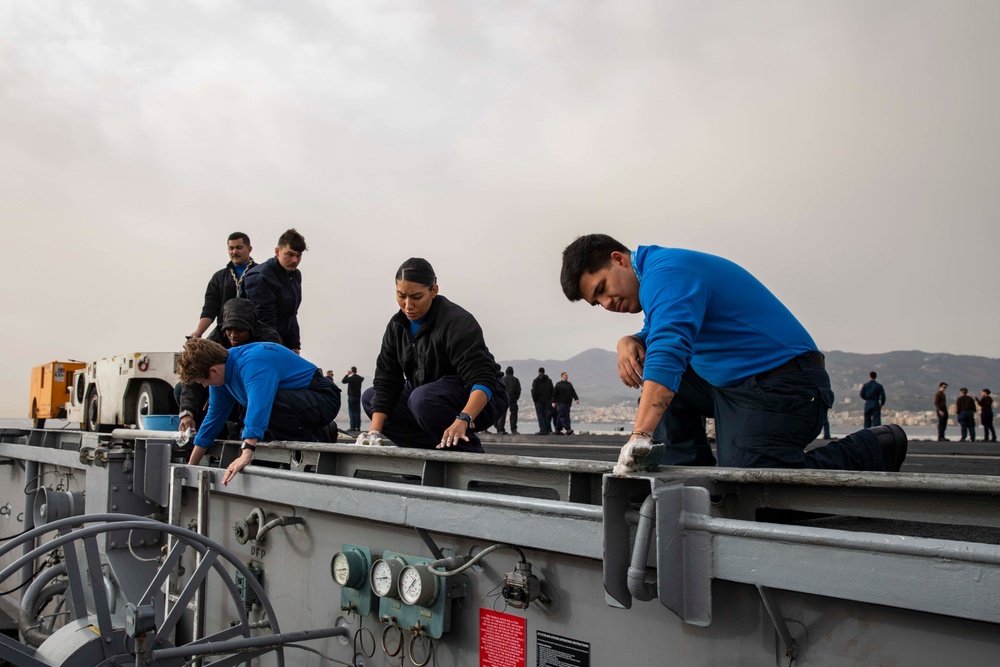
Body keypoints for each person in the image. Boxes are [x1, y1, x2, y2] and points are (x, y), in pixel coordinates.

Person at [559, 234, 907, 474]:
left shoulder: (666, 274)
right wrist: (629, 339)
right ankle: (689, 480)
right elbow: (660, 331)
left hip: (786, 387)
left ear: (618, 259)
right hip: (738, 387)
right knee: (650, 357)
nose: (608, 304)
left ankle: (875, 447)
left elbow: (669, 346)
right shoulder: (659, 277)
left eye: (603, 289)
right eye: (597, 302)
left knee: (753, 489)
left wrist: (640, 437)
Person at [359, 258, 508, 453]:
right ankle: (428, 454)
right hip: (428, 395)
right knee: (371, 397)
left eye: (416, 297)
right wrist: (374, 433)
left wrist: (463, 418)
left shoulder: (456, 321)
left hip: (481, 397)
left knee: (421, 399)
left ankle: (469, 456)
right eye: (401, 295)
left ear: (434, 291)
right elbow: (387, 380)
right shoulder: (396, 326)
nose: (407, 305)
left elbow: (481, 378)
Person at [178, 338, 341, 485]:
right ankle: (303, 438)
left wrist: (246, 452)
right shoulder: (222, 379)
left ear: (213, 370)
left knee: (265, 404)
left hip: (323, 398)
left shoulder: (252, 362)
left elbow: (259, 405)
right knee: (246, 412)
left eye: (203, 381)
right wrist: (191, 466)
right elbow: (213, 419)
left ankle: (317, 438)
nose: (205, 386)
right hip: (297, 403)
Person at [177, 298, 282, 433]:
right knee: (182, 388)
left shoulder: (269, 339)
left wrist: (222, 388)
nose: (233, 335)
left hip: (254, 390)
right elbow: (193, 370)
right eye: (229, 330)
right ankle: (210, 433)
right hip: (223, 388)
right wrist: (187, 412)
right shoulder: (217, 337)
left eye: (239, 330)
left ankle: (245, 429)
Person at [242, 228, 307, 353]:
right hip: (260, 344)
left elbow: (291, 313)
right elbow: (264, 319)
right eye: (290, 254)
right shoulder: (261, 276)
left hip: (281, 340)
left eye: (299, 256)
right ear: (277, 251)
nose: (295, 260)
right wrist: (276, 349)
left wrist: (294, 344)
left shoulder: (295, 275)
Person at [189, 232, 256, 339]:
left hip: (255, 333)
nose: (234, 252)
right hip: (227, 335)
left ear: (249, 249)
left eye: (239, 247)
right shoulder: (219, 277)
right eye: (231, 248)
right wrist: (198, 332)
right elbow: (210, 308)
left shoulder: (261, 274)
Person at [495, 366, 521, 435]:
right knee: (513, 413)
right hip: (513, 398)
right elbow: (518, 390)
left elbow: (498, 388)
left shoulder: (502, 379)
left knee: (502, 414)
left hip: (503, 398)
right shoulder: (515, 380)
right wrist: (516, 397)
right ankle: (513, 429)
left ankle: (500, 429)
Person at [531, 368, 554, 435]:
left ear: (538, 372)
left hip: (539, 401)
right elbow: (552, 391)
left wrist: (535, 400)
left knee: (540, 415)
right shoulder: (549, 381)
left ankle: (542, 429)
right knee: (546, 415)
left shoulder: (536, 381)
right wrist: (550, 400)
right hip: (547, 401)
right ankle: (547, 429)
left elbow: (534, 391)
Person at [342, 367, 365, 432]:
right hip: (358, 396)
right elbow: (362, 378)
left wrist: (347, 375)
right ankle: (358, 427)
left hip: (351, 396)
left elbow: (343, 381)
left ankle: (352, 427)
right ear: (356, 371)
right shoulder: (360, 378)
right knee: (357, 412)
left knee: (352, 412)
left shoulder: (350, 378)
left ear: (352, 371)